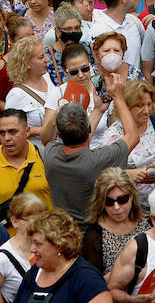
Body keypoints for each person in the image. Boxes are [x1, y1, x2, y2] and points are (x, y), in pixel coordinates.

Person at [42, 85, 138, 224]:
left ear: (58, 134)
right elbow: (133, 136)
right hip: (92, 238)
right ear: (89, 128)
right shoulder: (97, 160)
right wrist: (118, 96)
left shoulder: (51, 153)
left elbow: (80, 139)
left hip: (61, 234)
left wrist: (98, 110)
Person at [19, 210, 111, 303]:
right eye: (31, 242)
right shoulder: (33, 274)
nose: (32, 249)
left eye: (38, 244)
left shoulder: (87, 279)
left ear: (59, 245)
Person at [0, 108, 53, 214]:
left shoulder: (46, 158)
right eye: (2, 133)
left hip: (45, 230)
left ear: (27, 132)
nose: (7, 138)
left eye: (13, 132)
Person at [0, 193, 48, 303]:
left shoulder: (49, 249)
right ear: (15, 222)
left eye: (43, 217)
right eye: (33, 219)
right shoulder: (0, 260)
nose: (40, 223)